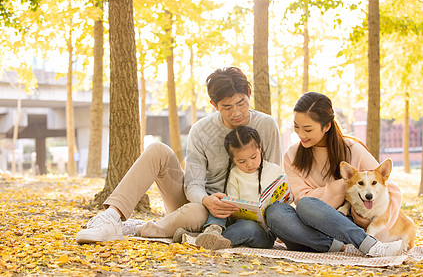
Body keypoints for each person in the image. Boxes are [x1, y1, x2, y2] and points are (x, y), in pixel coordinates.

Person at [76, 67, 282, 244]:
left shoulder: (266, 125)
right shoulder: (201, 130)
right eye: (227, 107)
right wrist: (206, 200)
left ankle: (137, 229)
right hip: (199, 203)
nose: (236, 112)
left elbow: (274, 177)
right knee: (158, 150)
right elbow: (192, 183)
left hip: (242, 212)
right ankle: (110, 217)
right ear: (214, 105)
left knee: (195, 215)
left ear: (248, 93)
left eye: (242, 103)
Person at [265, 92, 404, 257]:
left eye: (307, 129)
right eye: (296, 126)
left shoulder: (352, 149)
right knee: (276, 212)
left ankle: (365, 243)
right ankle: (341, 246)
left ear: (326, 126)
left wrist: (372, 221)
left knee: (306, 204)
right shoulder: (292, 155)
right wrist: (344, 185)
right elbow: (302, 199)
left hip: (346, 224)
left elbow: (390, 190)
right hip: (308, 225)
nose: (300, 134)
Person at [184, 126, 280, 250]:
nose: (249, 164)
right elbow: (233, 203)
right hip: (238, 222)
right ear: (233, 159)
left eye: (253, 157)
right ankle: (213, 230)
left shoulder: (274, 171)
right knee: (221, 203)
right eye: (241, 161)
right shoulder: (235, 173)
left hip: (263, 232)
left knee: (248, 227)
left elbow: (285, 200)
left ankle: (196, 239)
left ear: (260, 148)